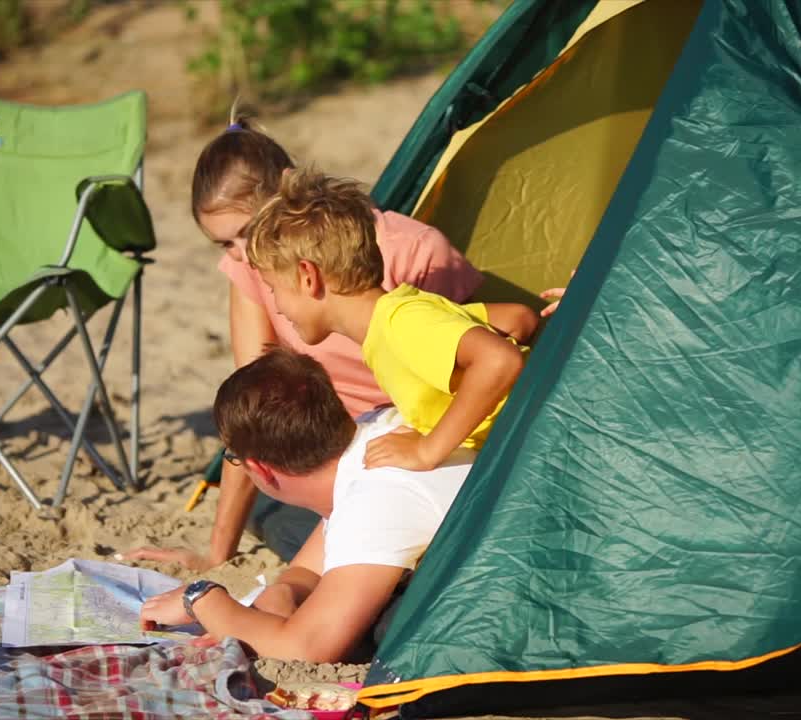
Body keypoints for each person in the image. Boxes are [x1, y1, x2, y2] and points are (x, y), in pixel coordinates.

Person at [119, 116, 483, 571]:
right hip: (324, 447)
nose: (242, 255)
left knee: (316, 532)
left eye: (248, 232)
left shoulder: (410, 251)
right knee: (278, 511)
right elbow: (254, 406)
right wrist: (218, 551)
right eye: (223, 244)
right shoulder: (253, 269)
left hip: (412, 439)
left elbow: (483, 349)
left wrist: (426, 450)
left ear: (288, 188)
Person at [139, 349, 475, 661]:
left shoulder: (373, 498)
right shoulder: (373, 431)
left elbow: (306, 647)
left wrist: (200, 598)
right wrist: (283, 593)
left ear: (259, 469)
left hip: (494, 612)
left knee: (385, 627)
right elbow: (310, 569)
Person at [245, 168, 538, 473]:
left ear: (308, 276)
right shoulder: (403, 310)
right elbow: (519, 319)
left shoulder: (400, 323)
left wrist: (429, 448)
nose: (276, 307)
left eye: (273, 289)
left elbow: (499, 360)